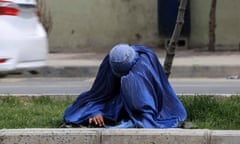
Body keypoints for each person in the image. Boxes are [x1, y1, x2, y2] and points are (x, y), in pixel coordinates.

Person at [62, 44, 187, 128]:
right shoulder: (110, 64)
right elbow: (99, 95)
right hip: (115, 104)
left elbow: (145, 107)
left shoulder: (142, 69)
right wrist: (96, 112)